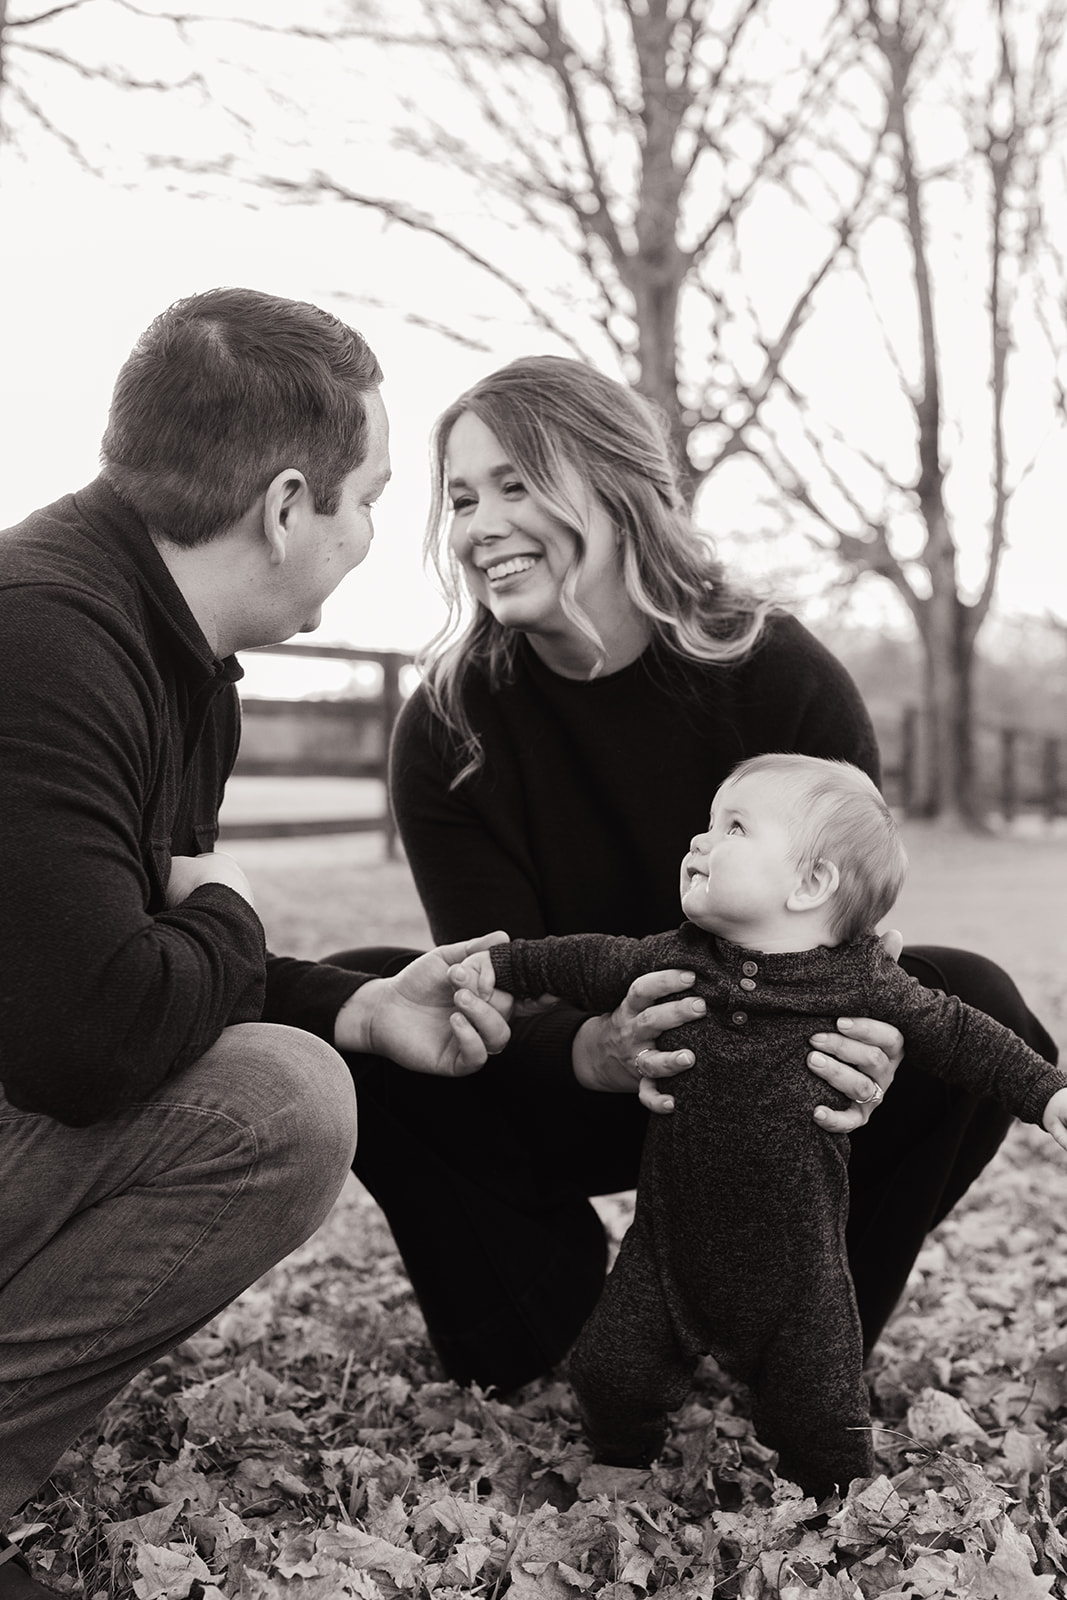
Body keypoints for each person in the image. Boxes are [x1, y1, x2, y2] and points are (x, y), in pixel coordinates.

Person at [329, 353, 1058, 1401]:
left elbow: (847, 930)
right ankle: (555, 1325)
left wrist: (869, 1049)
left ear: (617, 482)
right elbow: (491, 982)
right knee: (364, 998)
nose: (479, 523)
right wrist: (595, 1046)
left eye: (516, 482)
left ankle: (794, 1340)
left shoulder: (781, 675)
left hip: (769, 1083)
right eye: (459, 497)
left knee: (974, 1000)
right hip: (573, 1078)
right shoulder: (448, 725)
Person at [0, 287, 511, 1598]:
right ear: (287, 508)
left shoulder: (171, 650)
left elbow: (143, 957)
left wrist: (349, 1003)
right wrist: (233, 911)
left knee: (303, 1066)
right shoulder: (42, 638)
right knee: (280, 1107)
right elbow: (96, 1036)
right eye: (370, 500)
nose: (372, 538)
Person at [449, 754, 1067, 1497]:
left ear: (809, 885)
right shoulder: (679, 958)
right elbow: (586, 961)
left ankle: (833, 1502)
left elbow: (962, 1034)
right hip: (668, 1248)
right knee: (612, 1367)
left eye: (732, 827)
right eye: (707, 824)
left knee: (822, 1406)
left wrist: (1047, 1094)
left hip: (799, 1265)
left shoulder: (860, 979)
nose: (699, 843)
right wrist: (505, 963)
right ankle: (618, 1461)